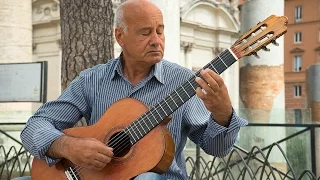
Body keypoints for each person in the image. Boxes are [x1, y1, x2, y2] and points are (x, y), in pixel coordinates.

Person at [18, 0, 248, 179]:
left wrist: (223, 113)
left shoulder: (183, 82)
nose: (157, 40)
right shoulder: (92, 80)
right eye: (145, 32)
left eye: (160, 30)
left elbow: (217, 149)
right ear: (120, 36)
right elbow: (34, 126)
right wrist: (67, 146)